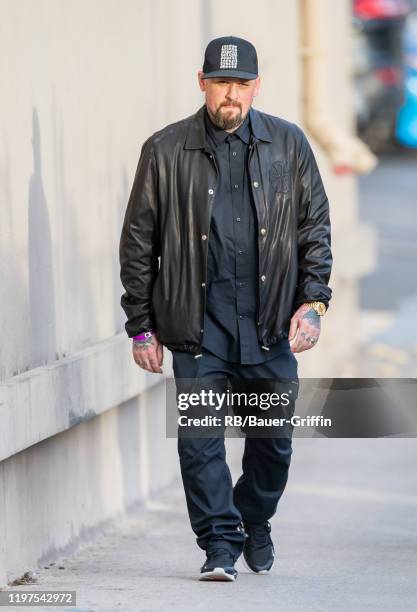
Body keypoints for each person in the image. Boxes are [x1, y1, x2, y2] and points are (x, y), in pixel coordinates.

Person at [119, 35, 332, 582]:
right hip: (197, 327)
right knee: (199, 443)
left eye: (241, 84)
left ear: (256, 86)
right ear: (202, 83)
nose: (230, 96)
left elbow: (314, 229)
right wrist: (141, 327)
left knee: (274, 445)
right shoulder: (165, 151)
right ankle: (218, 544)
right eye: (221, 83)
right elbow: (139, 242)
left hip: (268, 326)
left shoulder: (288, 144)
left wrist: (313, 302)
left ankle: (252, 520)